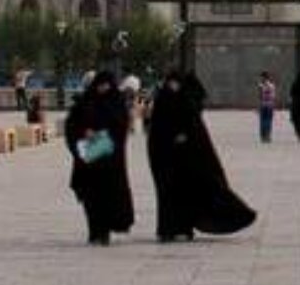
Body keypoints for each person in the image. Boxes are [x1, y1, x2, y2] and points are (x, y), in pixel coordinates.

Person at [145, 71, 258, 241]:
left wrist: (185, 136)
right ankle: (167, 229)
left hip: (186, 161)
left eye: (176, 83)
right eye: (170, 83)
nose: (173, 87)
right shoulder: (162, 101)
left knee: (186, 194)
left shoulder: (186, 102)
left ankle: (184, 228)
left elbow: (196, 132)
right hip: (167, 159)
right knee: (167, 195)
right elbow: (155, 132)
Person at [64, 71, 135, 246]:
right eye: (100, 84)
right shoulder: (85, 102)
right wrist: (84, 133)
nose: (103, 88)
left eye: (106, 85)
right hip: (89, 158)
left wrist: (101, 135)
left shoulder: (116, 103)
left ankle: (104, 232)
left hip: (109, 160)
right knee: (90, 197)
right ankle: (94, 231)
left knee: (107, 197)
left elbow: (121, 126)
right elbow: (72, 125)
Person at [255, 71, 278, 144]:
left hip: (263, 105)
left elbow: (259, 97)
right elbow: (273, 97)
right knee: (268, 121)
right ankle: (267, 136)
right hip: (270, 105)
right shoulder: (272, 85)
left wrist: (258, 106)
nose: (261, 78)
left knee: (263, 121)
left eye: (261, 77)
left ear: (263, 77)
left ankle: (263, 136)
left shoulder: (260, 86)